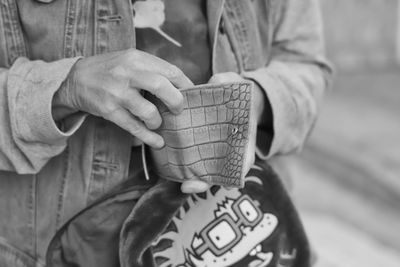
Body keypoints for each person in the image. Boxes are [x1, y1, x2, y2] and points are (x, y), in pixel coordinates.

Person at [0, 0, 332, 266]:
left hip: (241, 231)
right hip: (54, 248)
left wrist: (256, 101)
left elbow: (306, 65)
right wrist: (66, 87)